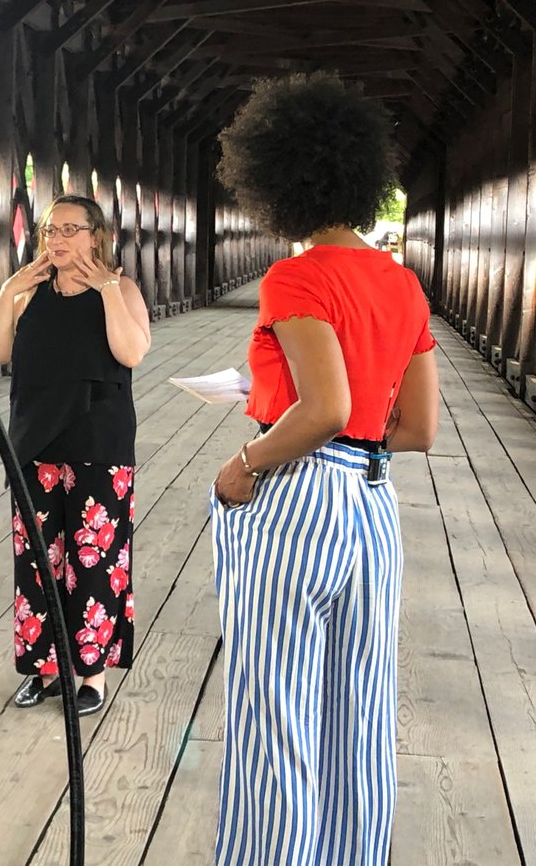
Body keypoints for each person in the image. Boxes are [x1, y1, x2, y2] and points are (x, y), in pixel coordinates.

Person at [209, 74, 439, 865]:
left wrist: (244, 461)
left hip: (296, 501)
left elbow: (324, 409)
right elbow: (418, 430)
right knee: (359, 717)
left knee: (275, 714)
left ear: (275, 180)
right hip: (372, 505)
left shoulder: (296, 277)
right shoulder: (403, 285)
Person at [0, 194, 151, 717]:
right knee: (38, 561)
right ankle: (44, 668)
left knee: (94, 560)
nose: (56, 239)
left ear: (96, 236)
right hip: (35, 441)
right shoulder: (29, 292)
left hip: (99, 441)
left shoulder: (121, 288)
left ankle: (92, 674)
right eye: (49, 230)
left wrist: (106, 289)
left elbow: (131, 352)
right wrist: (9, 290)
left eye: (69, 229)